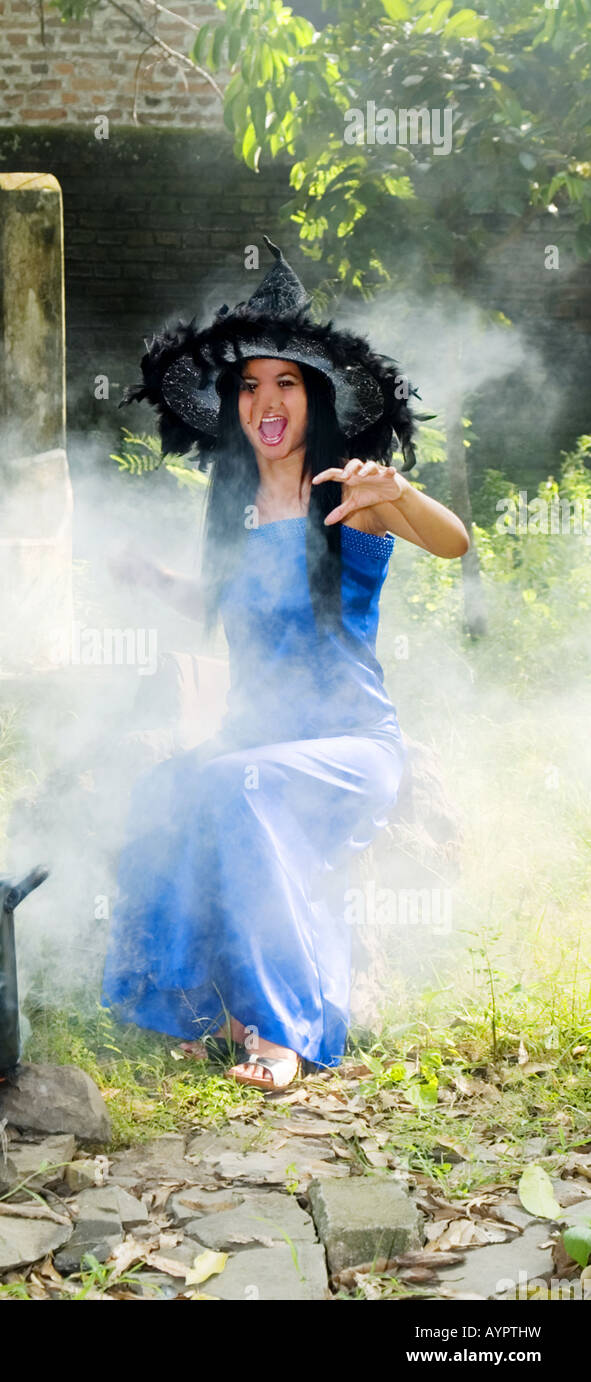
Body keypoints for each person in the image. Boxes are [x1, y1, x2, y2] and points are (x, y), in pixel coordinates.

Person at [101, 236, 468, 1092]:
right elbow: (222, 611)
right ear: (233, 404)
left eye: (286, 382)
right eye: (249, 384)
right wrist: (150, 579)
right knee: (166, 787)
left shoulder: (351, 494)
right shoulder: (231, 511)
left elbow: (453, 545)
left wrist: (400, 494)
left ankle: (280, 1027)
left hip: (345, 748)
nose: (265, 399)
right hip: (252, 738)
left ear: (316, 399)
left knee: (237, 787)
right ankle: (194, 1013)